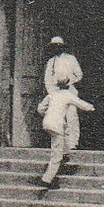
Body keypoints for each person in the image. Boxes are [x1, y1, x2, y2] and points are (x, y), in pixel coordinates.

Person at [35, 35, 93, 190]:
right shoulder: (51, 62)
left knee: (71, 118)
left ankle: (72, 144)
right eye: (54, 46)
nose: (57, 48)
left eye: (59, 46)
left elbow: (79, 75)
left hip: (69, 91)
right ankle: (62, 153)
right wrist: (53, 92)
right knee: (61, 123)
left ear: (63, 46)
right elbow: (48, 79)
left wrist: (68, 82)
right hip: (56, 94)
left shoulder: (71, 59)